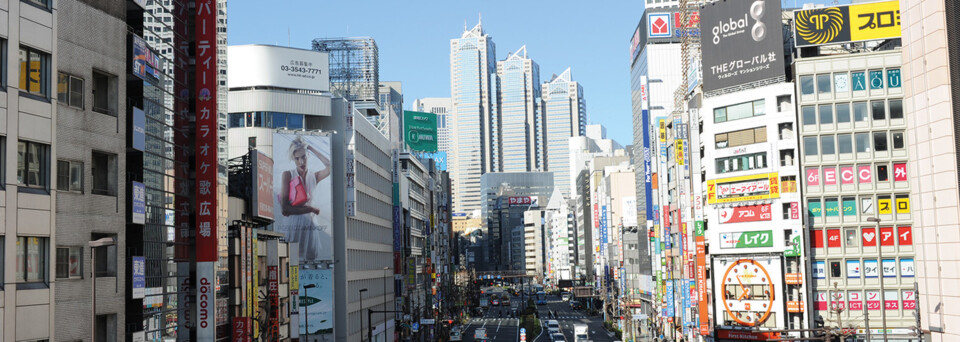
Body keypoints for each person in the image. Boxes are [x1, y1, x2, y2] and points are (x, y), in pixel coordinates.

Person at [278, 136, 332, 262]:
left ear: (308, 155)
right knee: (290, 261)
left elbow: (330, 166)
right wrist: (311, 209)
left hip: (310, 225)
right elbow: (285, 209)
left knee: (311, 260)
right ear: (293, 158)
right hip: (293, 225)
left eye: (303, 157)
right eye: (297, 158)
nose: (301, 161)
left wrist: (311, 147)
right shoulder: (288, 174)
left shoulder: (314, 176)